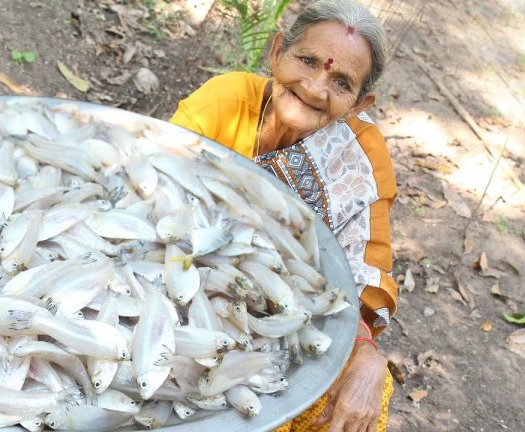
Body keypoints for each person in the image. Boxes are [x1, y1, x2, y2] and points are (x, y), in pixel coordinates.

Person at [170, 0, 397, 431]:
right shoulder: (225, 102)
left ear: (359, 102)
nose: (314, 87)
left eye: (341, 82)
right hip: (176, 287)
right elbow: (154, 191)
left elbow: (360, 280)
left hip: (282, 323)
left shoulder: (362, 159)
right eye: (307, 61)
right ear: (277, 52)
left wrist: (367, 353)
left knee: (367, 387)